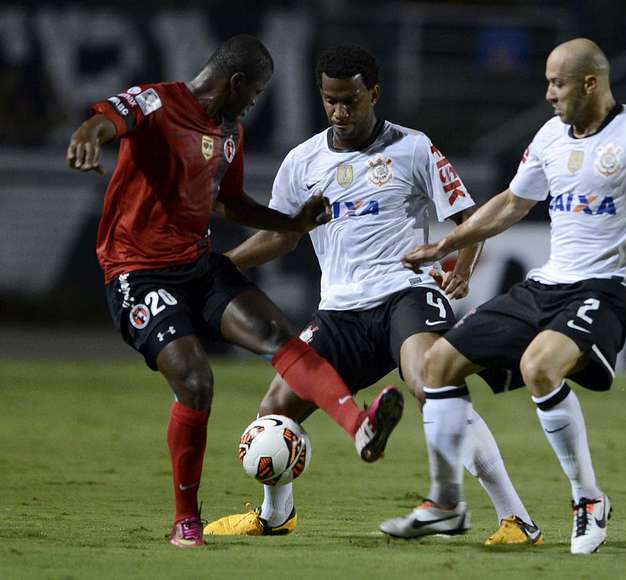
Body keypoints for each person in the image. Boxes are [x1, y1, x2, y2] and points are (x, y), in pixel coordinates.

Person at [380, 38, 626, 554]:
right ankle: (446, 504)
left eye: (557, 83)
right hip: (547, 283)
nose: (548, 94)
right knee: (437, 365)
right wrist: (448, 243)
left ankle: (588, 500)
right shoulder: (549, 136)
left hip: (607, 287)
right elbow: (514, 203)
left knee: (541, 367)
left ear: (590, 83)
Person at [66, 35, 404, 549]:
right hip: (137, 272)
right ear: (237, 82)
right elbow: (109, 118)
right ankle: (187, 521)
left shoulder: (229, 134)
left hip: (197, 264)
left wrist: (291, 222)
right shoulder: (159, 101)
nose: (254, 103)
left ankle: (360, 427)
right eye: (256, 92)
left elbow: (231, 204)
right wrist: (90, 136)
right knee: (196, 380)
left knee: (281, 338)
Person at [203, 45, 542, 546]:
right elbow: (281, 235)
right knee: (273, 410)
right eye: (330, 100)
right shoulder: (303, 162)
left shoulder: (413, 148)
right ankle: (277, 514)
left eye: (351, 101)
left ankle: (517, 519)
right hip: (339, 313)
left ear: (373, 94)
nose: (340, 112)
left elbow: (469, 220)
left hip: (405, 294)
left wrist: (463, 270)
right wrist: (225, 263)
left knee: (434, 385)